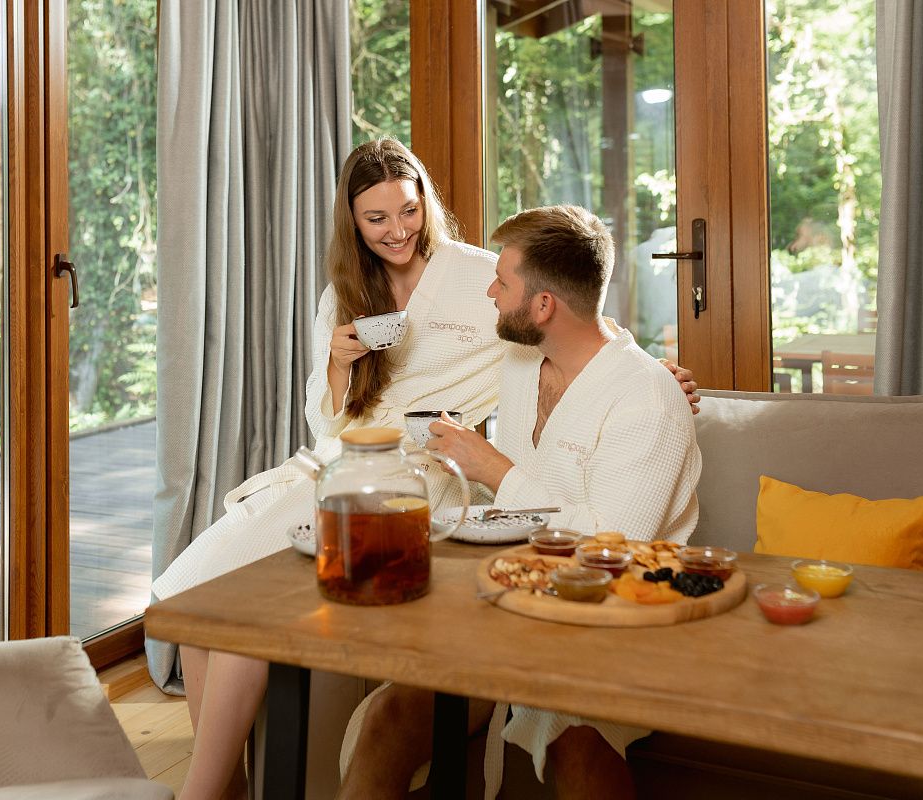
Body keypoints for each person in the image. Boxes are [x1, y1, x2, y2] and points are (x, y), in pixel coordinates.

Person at [151, 141, 698, 800]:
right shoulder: (354, 298)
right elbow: (331, 424)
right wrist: (338, 365)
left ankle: (202, 793)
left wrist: (649, 373)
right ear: (352, 221)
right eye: (376, 218)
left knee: (235, 611)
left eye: (408, 211)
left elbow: (574, 313)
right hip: (348, 471)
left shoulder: (491, 291)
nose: (397, 230)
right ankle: (224, 788)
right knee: (196, 602)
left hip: (427, 488)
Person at [338, 205, 702, 800]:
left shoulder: (646, 398)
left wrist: (495, 469)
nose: (489, 292)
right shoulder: (522, 360)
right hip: (508, 603)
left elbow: (615, 548)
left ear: (543, 306)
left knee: (574, 732)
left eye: (501, 283)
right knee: (388, 717)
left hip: (615, 616)